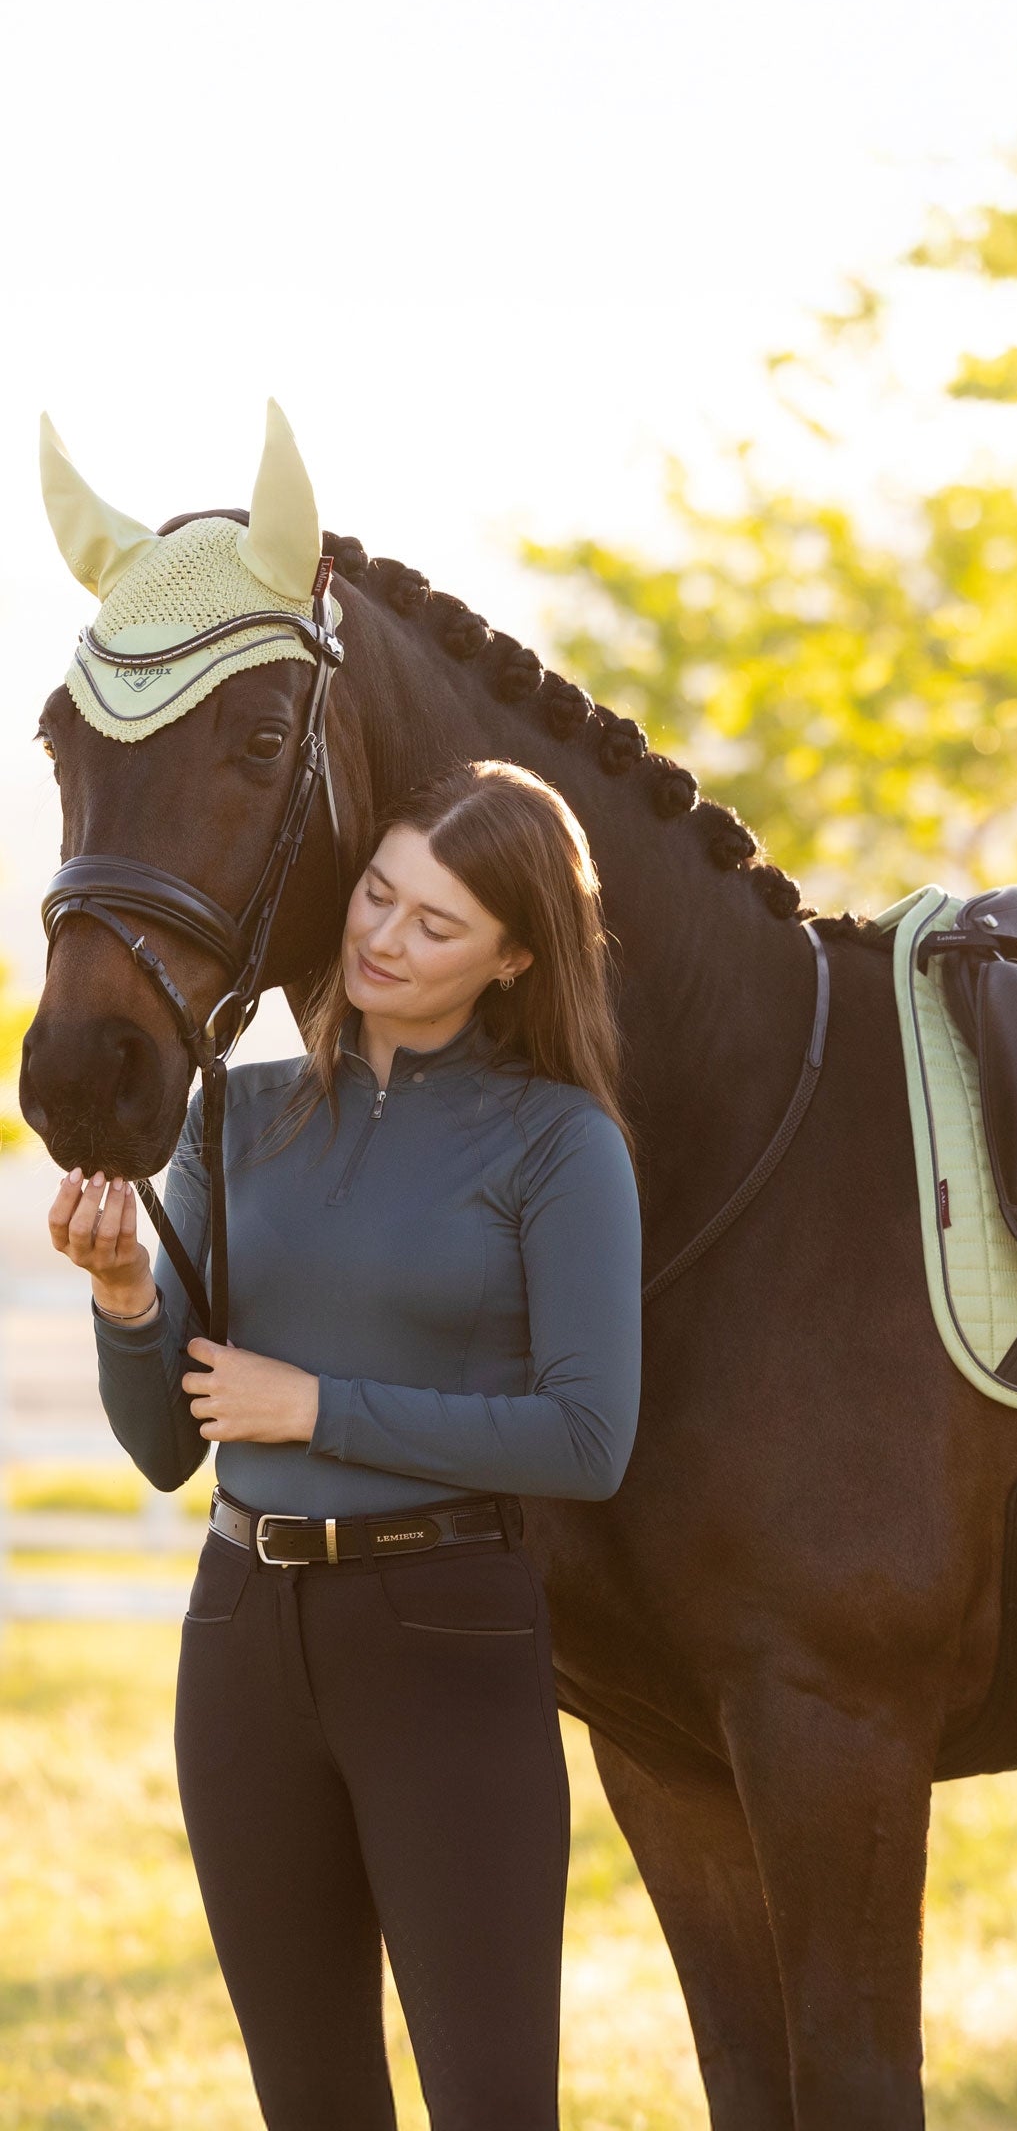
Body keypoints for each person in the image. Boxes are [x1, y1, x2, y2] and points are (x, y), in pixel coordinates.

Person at [47, 758, 642, 2131]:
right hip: (243, 1639)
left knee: (493, 2104)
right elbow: (160, 1447)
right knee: (309, 2101)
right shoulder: (232, 1115)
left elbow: (589, 1436)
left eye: (437, 925)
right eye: (378, 894)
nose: (383, 938)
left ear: (515, 957)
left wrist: (314, 1406)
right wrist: (129, 1298)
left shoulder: (559, 1144)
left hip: (448, 1645)